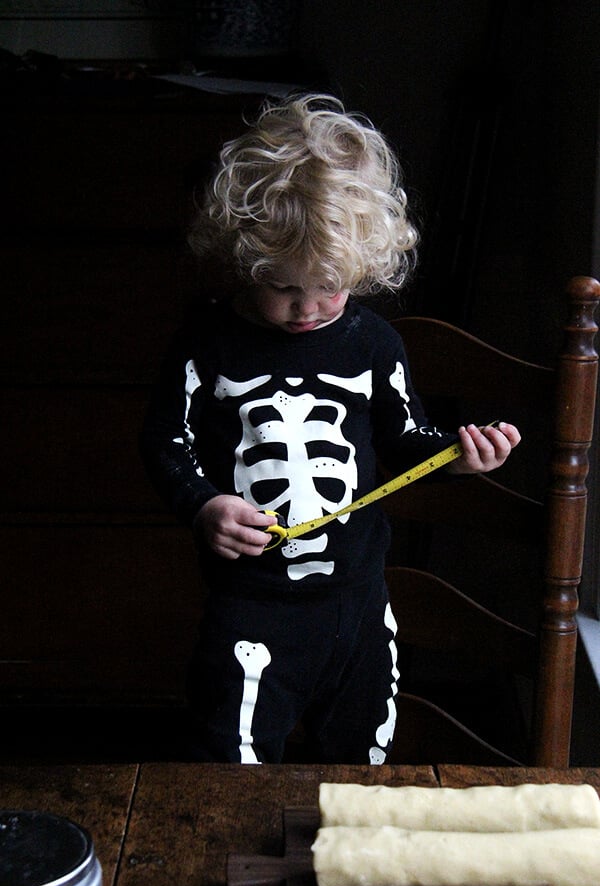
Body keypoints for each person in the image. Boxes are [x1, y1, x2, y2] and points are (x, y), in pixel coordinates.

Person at [140, 92, 521, 764]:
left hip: (357, 603)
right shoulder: (207, 344)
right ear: (245, 256)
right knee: (227, 761)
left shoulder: (373, 344)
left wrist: (457, 455)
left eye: (330, 286)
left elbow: (406, 441)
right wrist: (203, 505)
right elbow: (165, 440)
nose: (307, 308)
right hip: (249, 605)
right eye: (283, 287)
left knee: (361, 762)